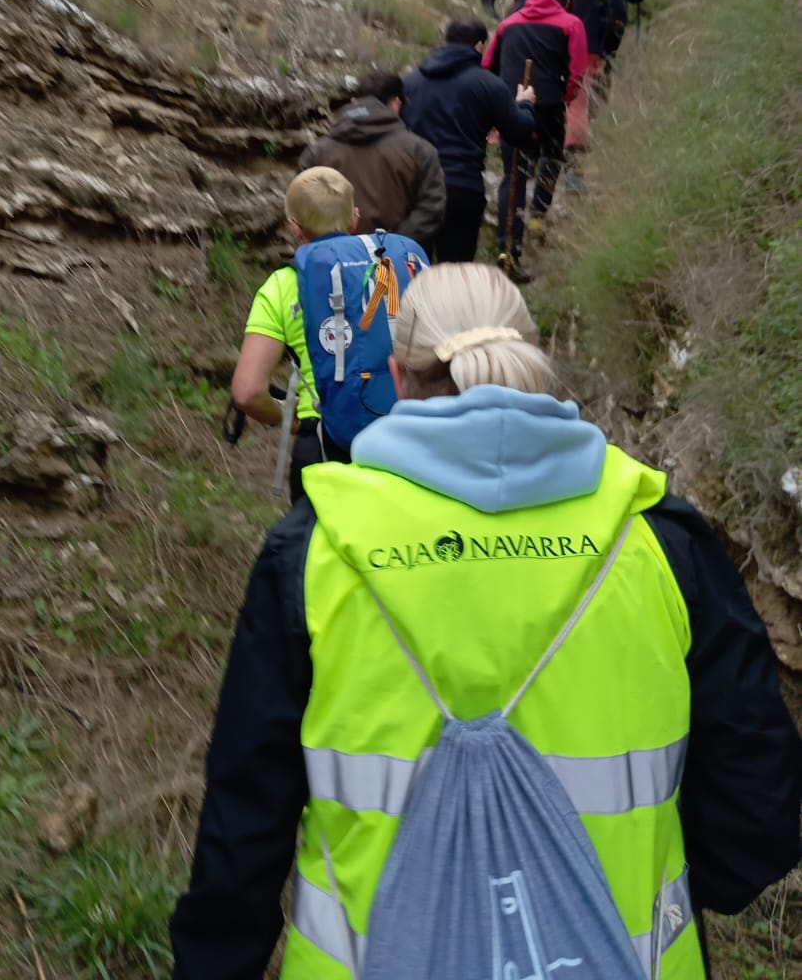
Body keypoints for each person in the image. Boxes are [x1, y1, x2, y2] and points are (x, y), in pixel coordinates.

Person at [171, 263, 802, 980]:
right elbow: (760, 820)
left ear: (398, 380)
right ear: (533, 372)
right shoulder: (659, 539)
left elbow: (240, 833)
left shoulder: (315, 549)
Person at [229, 168, 359, 502]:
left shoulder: (282, 286)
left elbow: (247, 392)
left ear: (294, 227)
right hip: (395, 438)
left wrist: (294, 419)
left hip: (322, 442)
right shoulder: (387, 271)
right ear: (354, 220)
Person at [402, 19, 537, 263]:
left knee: (410, 272)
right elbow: (518, 131)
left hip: (414, 187)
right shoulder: (488, 85)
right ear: (479, 46)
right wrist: (525, 103)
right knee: (454, 277)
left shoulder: (410, 82)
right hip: (461, 188)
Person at [483, 0, 586, 276]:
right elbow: (577, 72)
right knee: (552, 158)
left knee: (512, 175)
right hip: (550, 106)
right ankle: (539, 214)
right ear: (565, 3)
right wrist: (563, 97)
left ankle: (507, 249)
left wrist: (497, 106)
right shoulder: (571, 24)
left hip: (511, 104)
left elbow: (488, 65)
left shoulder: (508, 24)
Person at [297, 70, 445, 253]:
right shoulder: (420, 150)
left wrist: (332, 246)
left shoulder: (317, 152)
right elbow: (432, 207)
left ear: (354, 102)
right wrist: (391, 246)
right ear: (396, 103)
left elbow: (301, 206)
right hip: (395, 268)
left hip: (334, 263)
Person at [523, 0, 625, 153]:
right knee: (579, 103)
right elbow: (617, 13)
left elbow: (524, 7)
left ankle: (541, 152)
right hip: (588, 47)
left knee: (544, 97)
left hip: (546, 45)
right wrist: (606, 47)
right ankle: (573, 165)